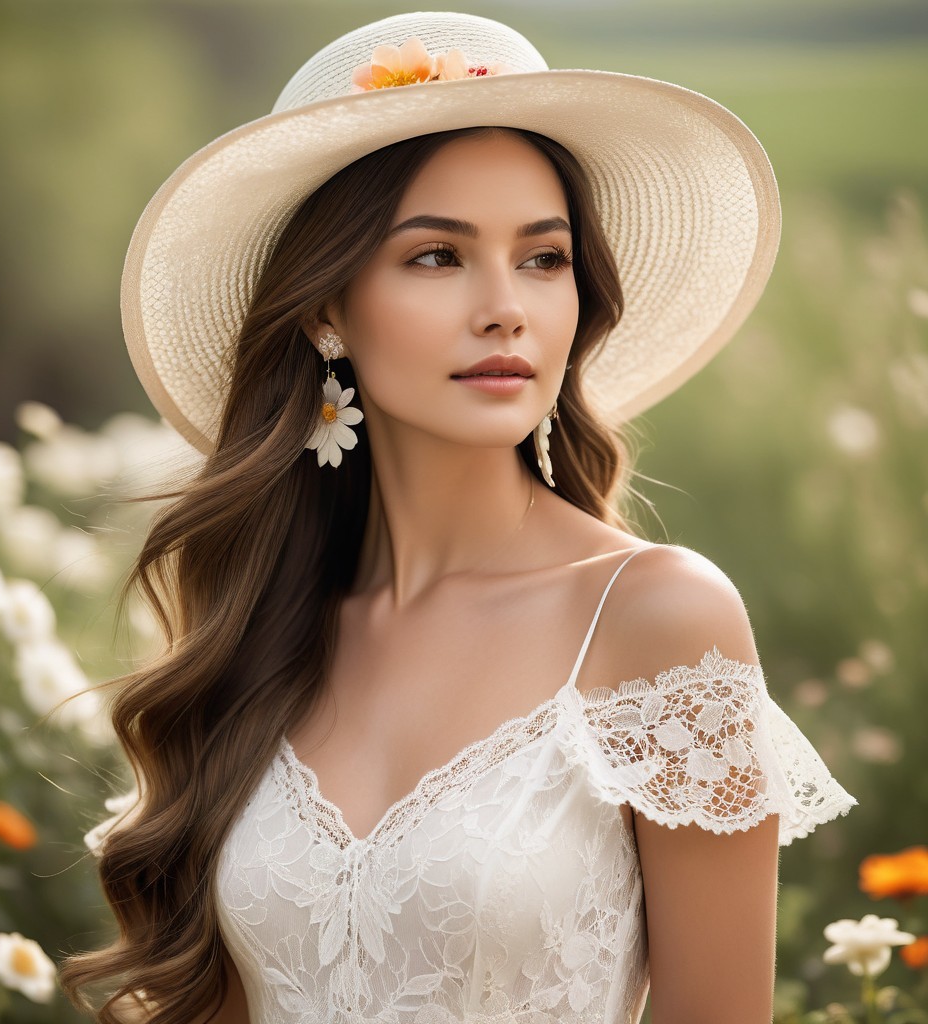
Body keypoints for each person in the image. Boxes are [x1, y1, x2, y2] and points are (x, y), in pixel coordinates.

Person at [60, 11, 858, 1024]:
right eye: (437, 256)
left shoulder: (655, 619)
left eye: (542, 257)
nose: (504, 309)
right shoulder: (261, 631)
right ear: (324, 310)